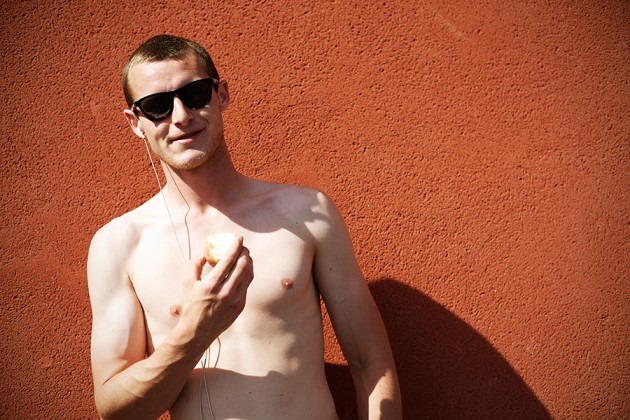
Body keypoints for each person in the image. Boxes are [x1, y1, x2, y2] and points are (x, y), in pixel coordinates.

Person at [87, 34, 401, 420]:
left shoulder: (306, 213)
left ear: (221, 95)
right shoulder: (119, 245)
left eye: (195, 94)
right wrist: (195, 330)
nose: (181, 116)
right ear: (136, 123)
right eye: (157, 106)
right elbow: (116, 411)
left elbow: (371, 361)